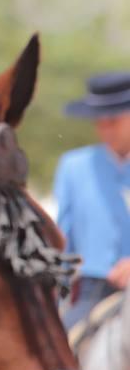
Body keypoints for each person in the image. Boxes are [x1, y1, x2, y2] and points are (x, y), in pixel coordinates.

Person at [54, 71, 130, 331]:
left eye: (114, 120)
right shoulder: (74, 167)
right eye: (100, 121)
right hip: (92, 289)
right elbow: (64, 236)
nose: (105, 129)